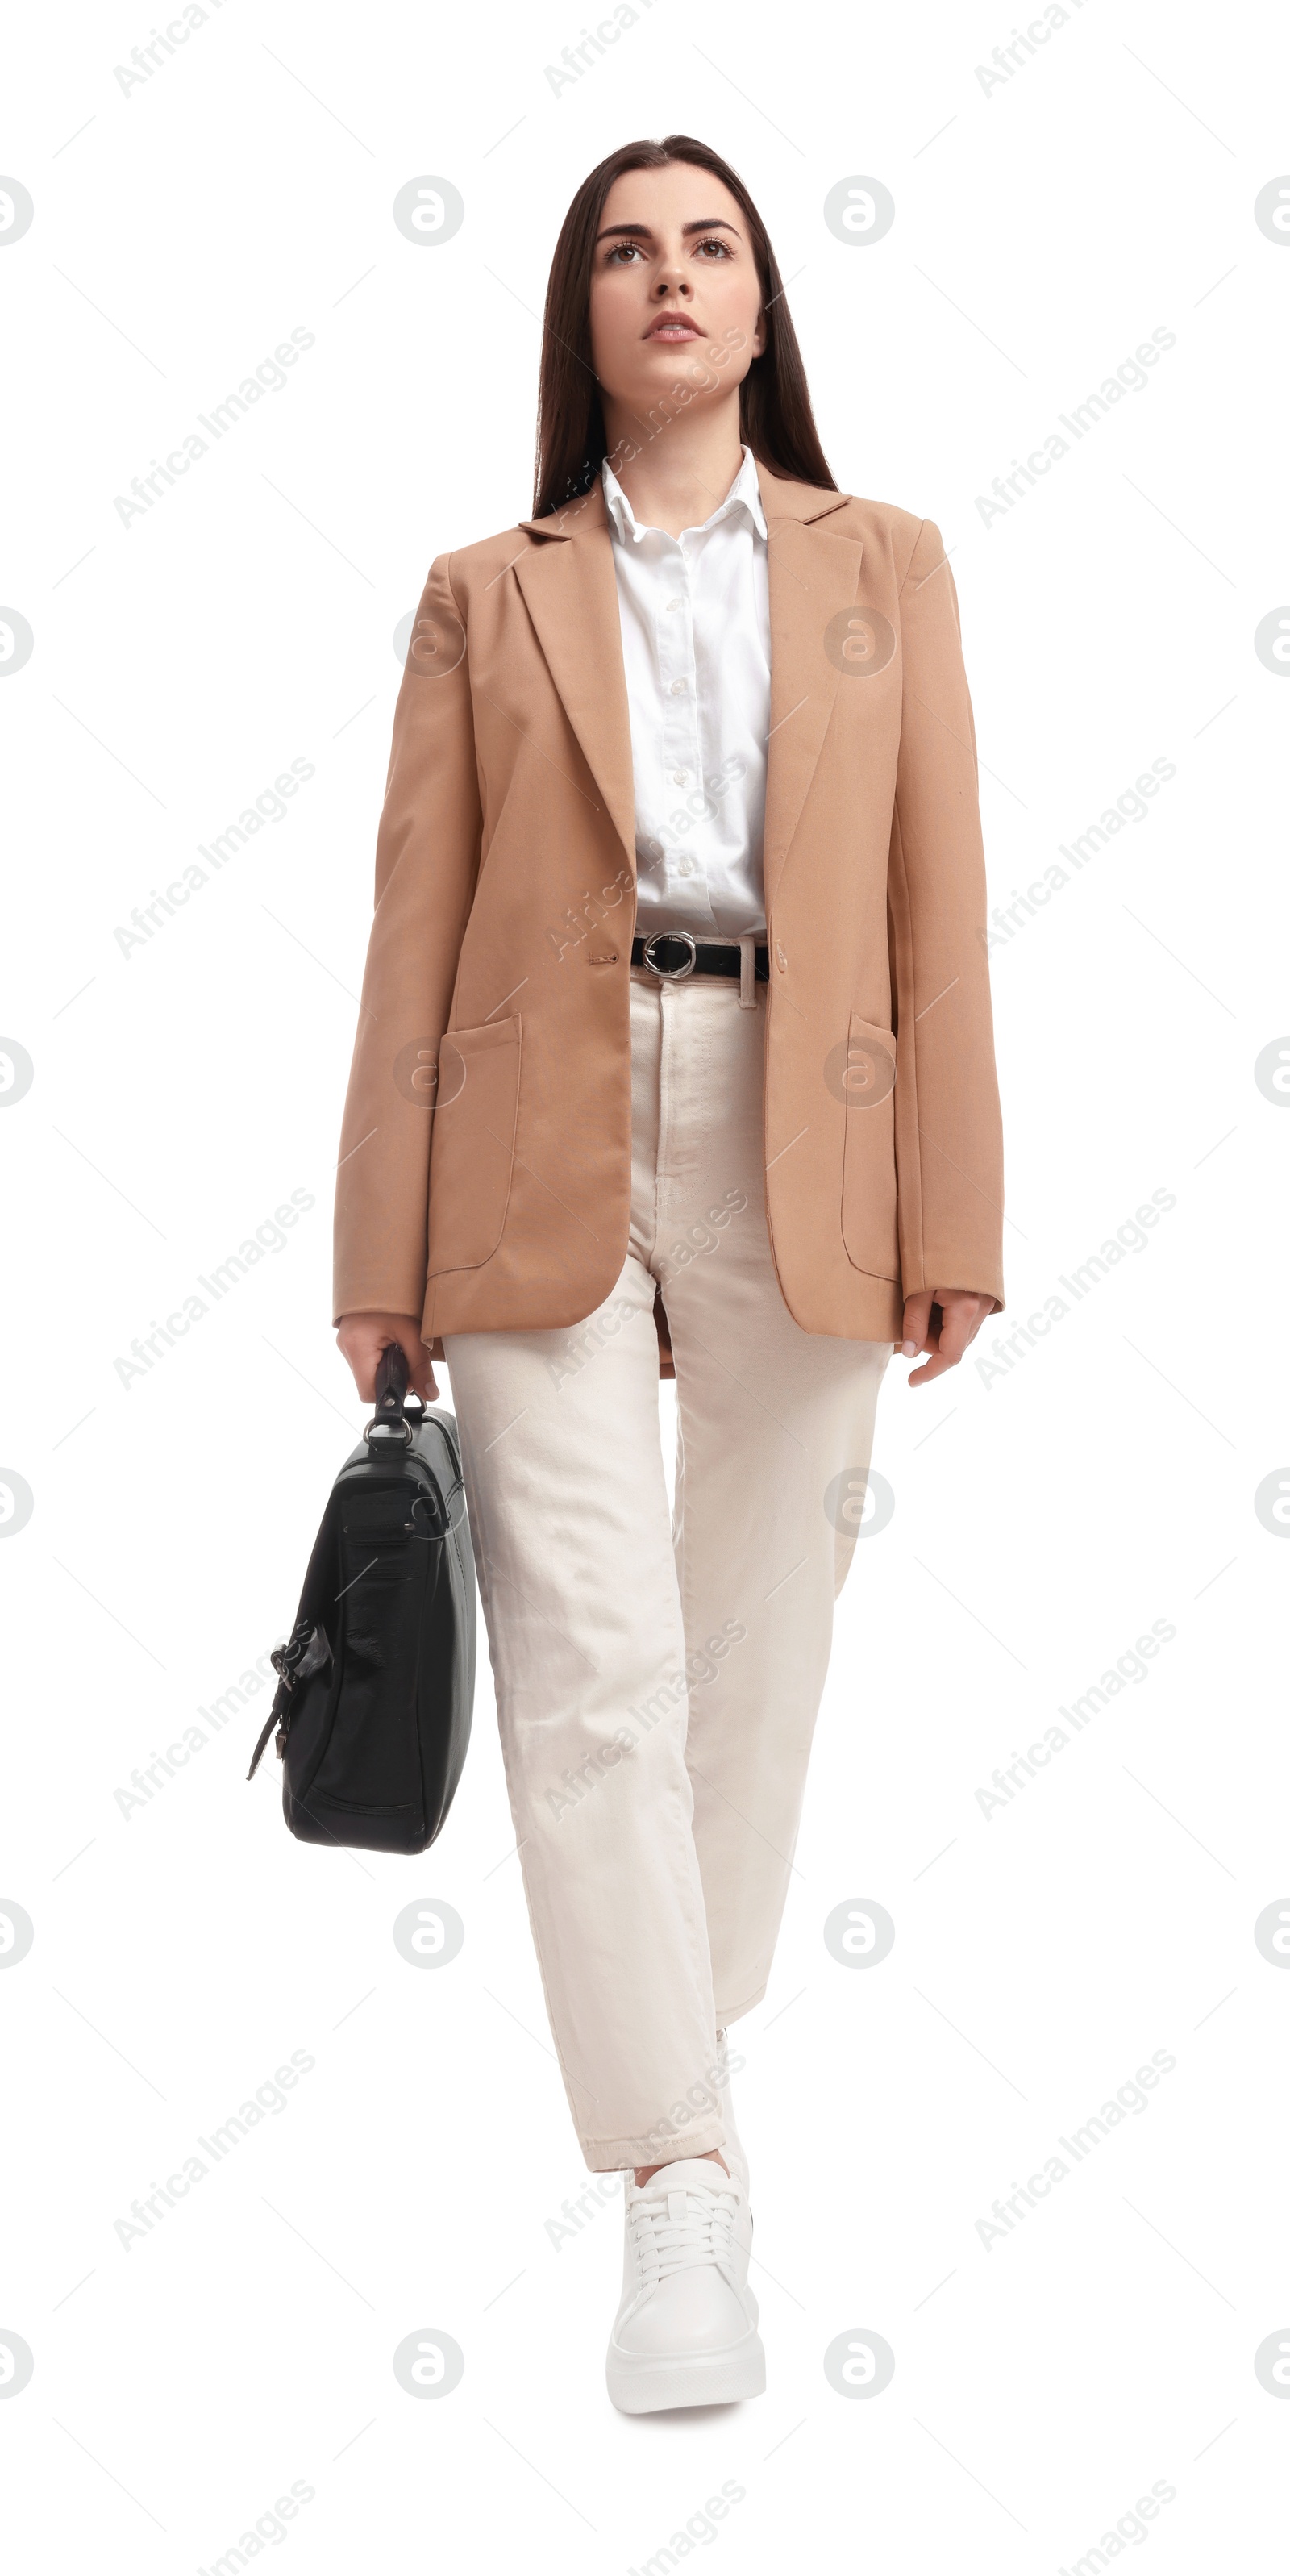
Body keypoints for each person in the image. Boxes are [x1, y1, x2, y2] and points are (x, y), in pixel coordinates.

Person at [332, 134, 1004, 2414]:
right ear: (583, 314)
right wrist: (376, 1243)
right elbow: (409, 932)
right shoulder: (478, 589)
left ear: (760, 300)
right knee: (591, 1667)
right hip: (529, 1134)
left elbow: (941, 910)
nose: (670, 277)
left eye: (708, 242)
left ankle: (665, 2048)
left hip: (800, 1120)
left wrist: (959, 1204)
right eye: (625, 250)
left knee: (755, 1658)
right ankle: (678, 2179)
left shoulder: (885, 567)